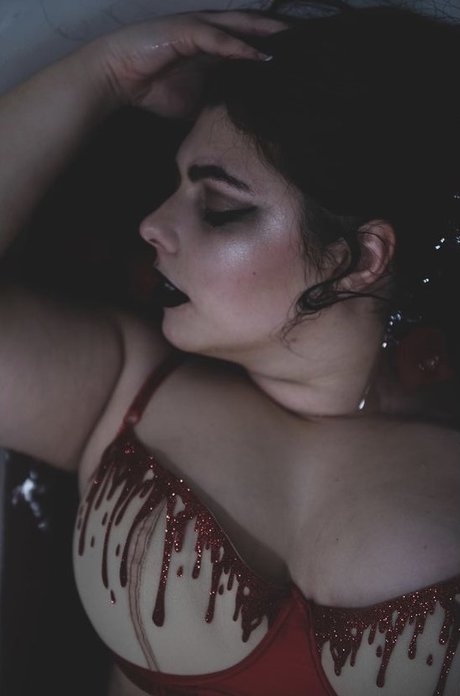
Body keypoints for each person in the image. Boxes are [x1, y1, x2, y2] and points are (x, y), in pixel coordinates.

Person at [0, 2, 459, 694]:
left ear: (359, 259)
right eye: (173, 186)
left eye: (219, 208)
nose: (153, 224)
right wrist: (102, 74)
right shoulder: (120, 385)